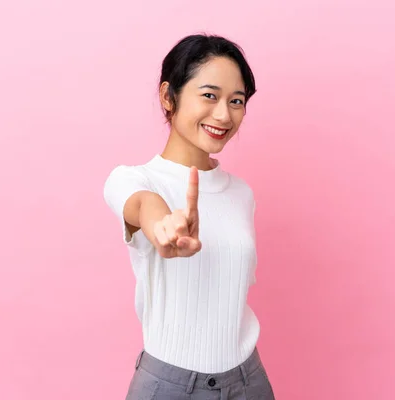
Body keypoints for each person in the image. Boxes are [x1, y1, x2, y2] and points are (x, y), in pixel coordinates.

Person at [104, 33, 275, 400]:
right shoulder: (134, 179)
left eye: (237, 101)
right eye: (209, 95)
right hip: (170, 387)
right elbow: (143, 205)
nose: (224, 114)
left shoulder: (241, 193)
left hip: (249, 381)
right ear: (169, 96)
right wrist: (162, 224)